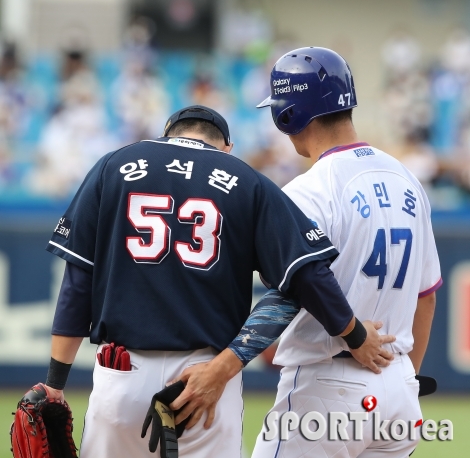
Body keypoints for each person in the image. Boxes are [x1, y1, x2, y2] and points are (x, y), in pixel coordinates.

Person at [39, 103, 395, 458]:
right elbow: (307, 274)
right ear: (227, 146)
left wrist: (55, 384)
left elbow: (77, 282)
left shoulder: (113, 166)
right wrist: (355, 336)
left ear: (167, 135)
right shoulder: (246, 179)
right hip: (207, 380)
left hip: (120, 372)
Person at [246, 47, 440, 457]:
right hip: (399, 382)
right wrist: (403, 380)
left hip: (328, 382)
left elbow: (287, 292)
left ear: (289, 114)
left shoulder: (308, 190)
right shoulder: (407, 178)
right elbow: (427, 296)